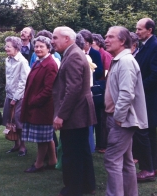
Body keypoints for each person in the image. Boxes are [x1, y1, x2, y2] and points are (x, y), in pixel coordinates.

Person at [51, 26, 97, 196]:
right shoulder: (73, 53)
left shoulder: (73, 56)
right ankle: (87, 185)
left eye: (55, 38)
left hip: (75, 114)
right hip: (78, 112)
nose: (52, 41)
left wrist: (61, 115)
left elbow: (73, 90)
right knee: (81, 151)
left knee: (72, 154)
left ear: (67, 39)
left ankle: (72, 190)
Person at [103, 26, 148, 196]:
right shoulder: (119, 60)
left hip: (121, 120)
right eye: (106, 36)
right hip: (119, 119)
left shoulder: (126, 62)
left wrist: (118, 118)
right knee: (127, 161)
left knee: (112, 159)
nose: (106, 40)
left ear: (122, 41)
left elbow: (126, 93)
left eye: (111, 37)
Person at [133, 18, 157, 181]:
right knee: (148, 134)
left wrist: (138, 89)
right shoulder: (146, 45)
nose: (137, 32)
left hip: (149, 99)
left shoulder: (155, 46)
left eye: (140, 29)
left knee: (144, 134)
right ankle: (152, 168)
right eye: (136, 29)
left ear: (150, 30)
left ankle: (147, 169)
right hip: (147, 98)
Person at [20, 36, 58, 173]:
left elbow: (49, 89)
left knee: (42, 138)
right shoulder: (38, 62)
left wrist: (33, 101)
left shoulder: (50, 64)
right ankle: (53, 160)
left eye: (41, 46)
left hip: (43, 107)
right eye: (36, 46)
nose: (38, 49)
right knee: (47, 136)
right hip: (36, 105)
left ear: (48, 48)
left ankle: (39, 163)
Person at [3, 36, 30, 157]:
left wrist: (15, 98)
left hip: (19, 97)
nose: (6, 48)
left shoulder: (22, 62)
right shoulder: (7, 60)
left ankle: (23, 147)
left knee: (19, 122)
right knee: (10, 120)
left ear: (16, 47)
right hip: (9, 95)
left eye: (8, 46)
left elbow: (23, 82)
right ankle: (16, 144)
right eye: (6, 46)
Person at [91, 33, 113, 153]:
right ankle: (98, 143)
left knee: (102, 118)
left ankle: (103, 144)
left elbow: (106, 72)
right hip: (96, 88)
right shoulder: (96, 54)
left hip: (102, 88)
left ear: (98, 43)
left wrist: (101, 81)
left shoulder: (105, 55)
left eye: (93, 43)